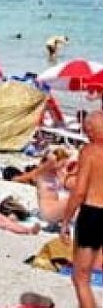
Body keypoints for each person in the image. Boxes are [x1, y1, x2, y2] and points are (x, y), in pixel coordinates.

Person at [61, 111, 103, 308]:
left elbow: (79, 192)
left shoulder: (90, 152)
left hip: (93, 213)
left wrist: (65, 221)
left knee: (80, 277)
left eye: (87, 130)